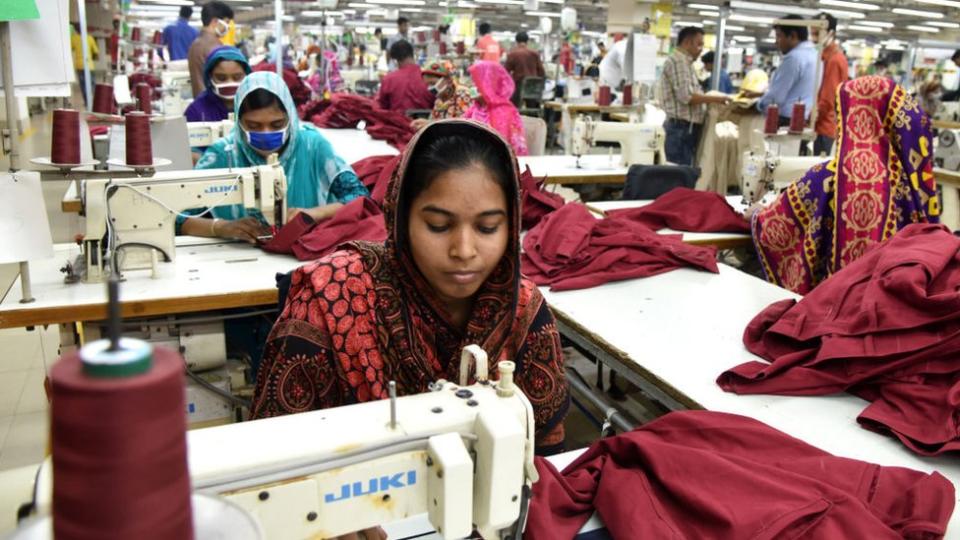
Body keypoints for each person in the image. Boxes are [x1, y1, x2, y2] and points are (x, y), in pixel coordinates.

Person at [250, 119, 570, 456]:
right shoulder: (330, 300)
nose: (463, 250)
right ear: (400, 218)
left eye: (488, 228)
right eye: (438, 226)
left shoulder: (522, 310)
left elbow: (546, 456)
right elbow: (275, 458)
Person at [749, 76, 939, 295]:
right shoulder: (915, 185)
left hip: (835, 308)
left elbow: (777, 228)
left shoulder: (828, 177)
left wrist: (756, 216)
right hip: (897, 305)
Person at [185, 72, 368, 242]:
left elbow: (361, 198)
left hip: (307, 252)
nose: (266, 133)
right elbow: (175, 217)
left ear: (290, 116)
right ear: (239, 122)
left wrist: (315, 214)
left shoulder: (314, 146)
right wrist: (221, 228)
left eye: (277, 124)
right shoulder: (221, 156)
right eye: (253, 125)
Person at [658, 26, 731, 166]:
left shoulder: (686, 62)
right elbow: (686, 96)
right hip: (680, 129)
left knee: (683, 173)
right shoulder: (678, 61)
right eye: (699, 44)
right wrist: (717, 99)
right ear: (687, 42)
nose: (701, 49)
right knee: (678, 175)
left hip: (684, 129)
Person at [748, 15, 816, 130]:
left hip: (785, 122)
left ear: (793, 36)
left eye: (779, 36)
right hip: (804, 120)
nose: (776, 42)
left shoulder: (794, 58)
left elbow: (776, 98)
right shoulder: (815, 55)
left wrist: (756, 105)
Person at [464, 61, 528, 156]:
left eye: (475, 82)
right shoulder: (474, 109)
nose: (471, 86)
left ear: (488, 85)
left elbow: (511, 149)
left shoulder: (506, 113)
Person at [811, 13, 848, 157]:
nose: (813, 38)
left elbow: (828, 99)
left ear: (830, 33)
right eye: (812, 33)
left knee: (816, 170)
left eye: (817, 33)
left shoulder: (834, 60)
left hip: (823, 126)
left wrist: (811, 118)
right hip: (819, 124)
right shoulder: (823, 56)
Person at [184, 46, 250, 123]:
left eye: (237, 77)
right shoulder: (196, 111)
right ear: (210, 77)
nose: (229, 83)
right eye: (221, 78)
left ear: (247, 75)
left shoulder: (257, 105)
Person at [188, 1, 234, 97]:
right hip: (213, 103)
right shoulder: (215, 47)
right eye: (227, 22)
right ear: (215, 22)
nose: (228, 28)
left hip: (200, 101)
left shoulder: (195, 44)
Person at [376, 41, 435, 113]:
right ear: (413, 55)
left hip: (397, 123)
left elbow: (381, 107)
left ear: (395, 60)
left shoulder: (389, 79)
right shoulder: (429, 77)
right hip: (427, 122)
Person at [505, 31, 545, 105]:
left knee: (512, 104)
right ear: (527, 41)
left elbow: (505, 72)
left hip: (518, 87)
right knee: (533, 108)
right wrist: (541, 86)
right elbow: (542, 72)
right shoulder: (535, 54)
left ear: (516, 41)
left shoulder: (512, 54)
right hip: (533, 87)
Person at [69, 23, 99, 106]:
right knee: (92, 84)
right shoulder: (89, 38)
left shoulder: (74, 38)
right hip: (89, 65)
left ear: (76, 30)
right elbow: (96, 52)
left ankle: (87, 102)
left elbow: (69, 48)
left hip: (79, 65)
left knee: (83, 85)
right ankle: (94, 101)